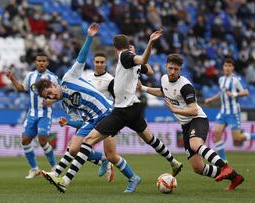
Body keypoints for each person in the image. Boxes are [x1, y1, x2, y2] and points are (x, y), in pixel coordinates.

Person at [38, 29, 184, 193]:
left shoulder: (118, 65)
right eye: (97, 62)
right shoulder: (69, 98)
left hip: (113, 111)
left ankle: (65, 179)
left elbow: (141, 62)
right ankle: (173, 162)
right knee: (147, 139)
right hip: (123, 110)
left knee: (102, 150)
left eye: (101, 62)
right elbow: (147, 69)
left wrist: (147, 44)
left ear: (114, 51)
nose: (99, 64)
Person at [38, 23, 139, 192]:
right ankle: (59, 172)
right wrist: (69, 122)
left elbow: (81, 57)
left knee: (105, 153)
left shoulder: (69, 77)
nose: (51, 95)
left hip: (107, 113)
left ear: (54, 84)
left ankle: (63, 178)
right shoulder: (66, 104)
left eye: (50, 91)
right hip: (93, 120)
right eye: (48, 96)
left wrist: (90, 37)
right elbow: (82, 121)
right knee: (74, 148)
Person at [140, 53, 244, 191]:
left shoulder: (185, 86)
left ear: (180, 70)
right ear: (166, 66)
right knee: (198, 168)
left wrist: (175, 110)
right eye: (170, 68)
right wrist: (143, 88)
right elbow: (162, 92)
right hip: (185, 125)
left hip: (197, 119)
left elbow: (194, 110)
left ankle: (225, 167)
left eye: (176, 69)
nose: (172, 72)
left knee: (195, 145)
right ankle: (235, 177)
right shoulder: (164, 79)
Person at [6, 52, 58, 179]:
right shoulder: (30, 76)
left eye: (43, 61)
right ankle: (34, 169)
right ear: (35, 62)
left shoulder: (52, 77)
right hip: (32, 113)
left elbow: (60, 94)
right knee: (25, 140)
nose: (41, 63)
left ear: (47, 63)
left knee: (42, 139)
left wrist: (52, 100)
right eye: (38, 61)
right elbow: (21, 89)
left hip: (45, 113)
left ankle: (55, 167)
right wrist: (12, 78)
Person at [205, 58, 255, 162]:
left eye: (229, 66)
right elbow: (221, 93)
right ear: (223, 67)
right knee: (217, 132)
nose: (227, 68)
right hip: (223, 112)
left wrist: (234, 94)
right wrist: (212, 99)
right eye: (225, 65)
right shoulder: (221, 79)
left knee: (237, 138)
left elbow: (246, 92)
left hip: (233, 113)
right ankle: (223, 160)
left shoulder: (236, 80)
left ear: (233, 68)